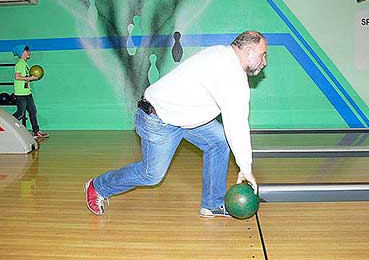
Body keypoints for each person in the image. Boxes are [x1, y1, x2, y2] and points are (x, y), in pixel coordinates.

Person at [84, 31, 268, 217]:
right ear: (249, 50)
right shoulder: (230, 74)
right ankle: (98, 186)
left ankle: (212, 203)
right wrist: (246, 168)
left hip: (184, 117)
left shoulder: (220, 53)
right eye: (263, 55)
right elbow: (236, 125)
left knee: (218, 142)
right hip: (158, 119)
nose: (264, 62)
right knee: (151, 175)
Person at [12, 44, 49, 139]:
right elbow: (17, 77)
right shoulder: (20, 64)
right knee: (20, 113)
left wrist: (30, 79)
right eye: (27, 51)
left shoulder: (25, 64)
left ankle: (36, 132)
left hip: (27, 93)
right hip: (21, 94)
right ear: (22, 53)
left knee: (33, 111)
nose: (29, 52)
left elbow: (24, 78)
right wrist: (30, 78)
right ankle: (7, 125)